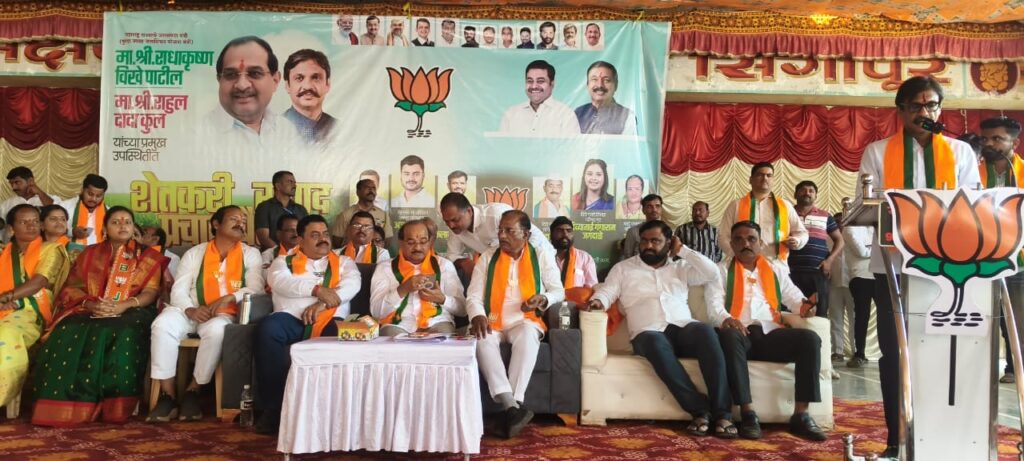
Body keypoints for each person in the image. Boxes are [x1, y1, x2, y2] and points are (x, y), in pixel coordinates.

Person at [856, 76, 980, 458]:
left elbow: (973, 206)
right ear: (901, 110)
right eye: (916, 106)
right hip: (892, 267)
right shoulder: (877, 152)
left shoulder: (960, 152)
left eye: (931, 105)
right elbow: (867, 204)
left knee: (942, 352)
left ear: (940, 109)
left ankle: (938, 437)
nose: (924, 112)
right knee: (895, 353)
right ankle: (896, 439)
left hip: (947, 269)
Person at [586, 220, 737, 439]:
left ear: (669, 243)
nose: (648, 246)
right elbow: (607, 291)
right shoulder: (623, 268)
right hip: (647, 331)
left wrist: (683, 251)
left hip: (682, 326)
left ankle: (723, 414)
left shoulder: (681, 268)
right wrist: (598, 301)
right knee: (655, 343)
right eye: (644, 241)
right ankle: (700, 411)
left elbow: (712, 273)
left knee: (706, 332)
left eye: (655, 241)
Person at [31, 206, 164, 426]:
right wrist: (92, 305)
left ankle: (113, 405)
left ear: (133, 228)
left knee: (118, 329)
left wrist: (122, 306)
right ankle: (62, 404)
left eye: (127, 222)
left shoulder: (148, 256)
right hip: (89, 307)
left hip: (133, 309)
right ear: (104, 228)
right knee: (67, 329)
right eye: (116, 222)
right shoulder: (89, 253)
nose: (122, 226)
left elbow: (150, 292)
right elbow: (72, 288)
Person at [148, 205, 264, 422]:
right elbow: (179, 290)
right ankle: (168, 395)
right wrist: (190, 309)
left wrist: (229, 297)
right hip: (189, 309)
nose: (240, 223)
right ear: (216, 224)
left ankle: (193, 390)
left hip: (223, 313)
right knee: (162, 325)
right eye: (234, 219)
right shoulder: (195, 253)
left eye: (243, 220)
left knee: (218, 330)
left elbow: (256, 288)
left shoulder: (250, 254)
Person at [716, 220, 827, 441]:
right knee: (729, 335)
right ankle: (748, 413)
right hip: (740, 334)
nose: (745, 244)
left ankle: (801, 415)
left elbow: (794, 297)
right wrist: (727, 319)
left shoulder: (775, 269)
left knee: (810, 339)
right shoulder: (721, 270)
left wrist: (806, 307)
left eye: (751, 239)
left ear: (761, 243)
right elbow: (713, 304)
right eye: (739, 239)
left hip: (770, 333)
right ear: (731, 244)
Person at [254, 214, 361, 434]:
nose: (323, 239)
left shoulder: (344, 262)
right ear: (300, 240)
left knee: (339, 339)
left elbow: (352, 286)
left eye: (325, 234)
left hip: (330, 319)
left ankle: (330, 413)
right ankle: (273, 408)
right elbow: (281, 282)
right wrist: (316, 289)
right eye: (315, 235)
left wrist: (322, 304)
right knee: (267, 330)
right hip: (290, 319)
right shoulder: (283, 261)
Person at [466, 210, 564, 438]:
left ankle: (511, 406)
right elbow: (473, 296)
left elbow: (558, 290)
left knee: (528, 335)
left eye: (509, 231)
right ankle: (512, 407)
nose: (502, 235)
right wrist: (477, 315)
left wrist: (544, 299)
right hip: (492, 319)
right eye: (500, 230)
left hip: (524, 319)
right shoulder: (488, 257)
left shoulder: (541, 255)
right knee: (481, 338)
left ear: (526, 235)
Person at [0, 204, 70, 412]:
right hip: (4, 308)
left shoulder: (50, 249)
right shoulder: (4, 252)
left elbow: (39, 282)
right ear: (11, 229)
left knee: (7, 333)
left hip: (32, 313)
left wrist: (7, 297)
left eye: (35, 221)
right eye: (24, 222)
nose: (31, 226)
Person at [978, 116, 1024, 382]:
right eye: (985, 138)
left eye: (997, 138)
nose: (989, 143)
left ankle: (1015, 368)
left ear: (1014, 143)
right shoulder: (971, 170)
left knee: (1016, 319)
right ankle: (979, 369)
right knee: (982, 316)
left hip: (1018, 258)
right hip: (978, 258)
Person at [200, 36, 301, 157]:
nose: (242, 85)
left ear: (275, 81)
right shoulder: (198, 135)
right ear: (219, 80)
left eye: (255, 73)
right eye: (231, 74)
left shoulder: (287, 130)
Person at [371, 219, 465, 336]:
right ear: (401, 242)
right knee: (390, 338)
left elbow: (462, 309)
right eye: (411, 242)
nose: (418, 247)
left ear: (430, 242)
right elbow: (375, 311)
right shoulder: (385, 268)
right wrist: (403, 289)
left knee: (445, 337)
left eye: (423, 242)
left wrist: (442, 299)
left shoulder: (444, 266)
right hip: (398, 325)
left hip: (437, 323)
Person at [719, 162, 808, 274]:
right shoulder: (736, 205)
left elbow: (801, 232)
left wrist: (797, 241)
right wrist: (736, 254)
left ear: (773, 180)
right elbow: (723, 235)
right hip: (743, 268)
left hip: (777, 267)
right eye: (760, 175)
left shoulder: (785, 205)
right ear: (750, 180)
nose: (765, 178)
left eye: (769, 175)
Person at [440, 192, 554, 276]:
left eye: (455, 220)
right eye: (446, 221)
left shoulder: (496, 214)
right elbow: (452, 255)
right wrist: (464, 262)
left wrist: (522, 263)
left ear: (469, 211)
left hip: (537, 261)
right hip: (500, 269)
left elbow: (533, 237)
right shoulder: (455, 229)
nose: (451, 226)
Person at [788, 180, 842, 318]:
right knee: (791, 313)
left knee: (820, 313)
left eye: (811, 191)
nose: (807, 193)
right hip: (790, 271)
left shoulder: (826, 216)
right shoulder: (786, 214)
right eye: (803, 190)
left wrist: (829, 261)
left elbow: (840, 241)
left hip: (818, 271)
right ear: (795, 194)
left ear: (816, 196)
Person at [499, 60, 580, 137]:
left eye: (540, 81)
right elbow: (500, 145)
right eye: (530, 81)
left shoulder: (566, 115)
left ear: (552, 84)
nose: (534, 86)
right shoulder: (511, 114)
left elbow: (573, 146)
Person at [282, 49, 336, 144]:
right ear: (287, 86)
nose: (307, 86)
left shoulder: (342, 130)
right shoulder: (271, 131)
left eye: (316, 78)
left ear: (327, 85)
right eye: (299, 78)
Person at [841, 219, 874, 368]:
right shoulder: (849, 228)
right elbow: (861, 252)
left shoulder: (876, 227)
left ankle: (891, 353)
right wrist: (877, 250)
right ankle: (859, 353)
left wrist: (873, 249)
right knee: (862, 316)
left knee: (886, 316)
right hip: (860, 276)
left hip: (880, 276)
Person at [575, 61, 637, 135]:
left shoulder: (627, 116)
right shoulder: (578, 113)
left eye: (606, 80)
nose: (600, 85)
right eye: (594, 79)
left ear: (616, 85)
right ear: (587, 85)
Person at [254, 171, 309, 250]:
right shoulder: (264, 207)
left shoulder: (301, 209)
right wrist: (282, 253)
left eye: (294, 182)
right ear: (278, 186)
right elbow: (264, 238)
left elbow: (306, 235)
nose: (294, 185)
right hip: (272, 254)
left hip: (298, 255)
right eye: (290, 182)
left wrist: (296, 253)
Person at [332, 179, 392, 248]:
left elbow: (387, 239)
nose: (371, 190)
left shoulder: (383, 215)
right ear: (358, 192)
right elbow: (337, 241)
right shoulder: (345, 215)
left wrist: (377, 252)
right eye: (367, 187)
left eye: (373, 188)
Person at [1, 167, 57, 234]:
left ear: (30, 181)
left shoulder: (52, 199)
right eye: (11, 183)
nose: (13, 187)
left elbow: (56, 213)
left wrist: (40, 193)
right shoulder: (6, 204)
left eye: (17, 182)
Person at [59, 174, 108, 247]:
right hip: (71, 252)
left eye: (98, 196)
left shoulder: (109, 212)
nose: (93, 199)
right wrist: (72, 232)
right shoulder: (65, 207)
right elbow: (52, 229)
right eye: (90, 194)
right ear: (82, 190)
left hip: (100, 252)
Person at [550, 216, 597, 289]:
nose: (565, 234)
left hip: (576, 296)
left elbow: (591, 287)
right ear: (551, 234)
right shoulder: (544, 256)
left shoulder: (585, 258)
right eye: (560, 231)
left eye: (569, 231)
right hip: (549, 296)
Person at [621, 194, 664, 260]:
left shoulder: (667, 231)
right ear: (643, 210)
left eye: (657, 206)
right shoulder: (633, 232)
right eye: (649, 206)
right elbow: (628, 258)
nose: (654, 210)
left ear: (661, 209)